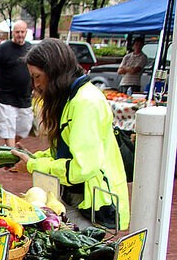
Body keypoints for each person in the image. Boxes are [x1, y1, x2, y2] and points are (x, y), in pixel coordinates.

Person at [11, 38, 130, 230]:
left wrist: (33, 165)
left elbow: (81, 168)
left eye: (37, 76)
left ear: (54, 72)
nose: (35, 85)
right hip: (78, 198)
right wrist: (34, 157)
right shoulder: (71, 98)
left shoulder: (85, 102)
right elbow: (65, 150)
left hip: (96, 204)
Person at [0, 20, 33, 147]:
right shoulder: (3, 48)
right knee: (8, 128)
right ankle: (11, 157)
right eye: (17, 32)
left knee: (25, 128)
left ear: (26, 32)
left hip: (25, 97)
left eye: (22, 32)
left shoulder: (30, 48)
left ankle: (9, 147)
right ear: (13, 32)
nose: (20, 35)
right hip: (6, 96)